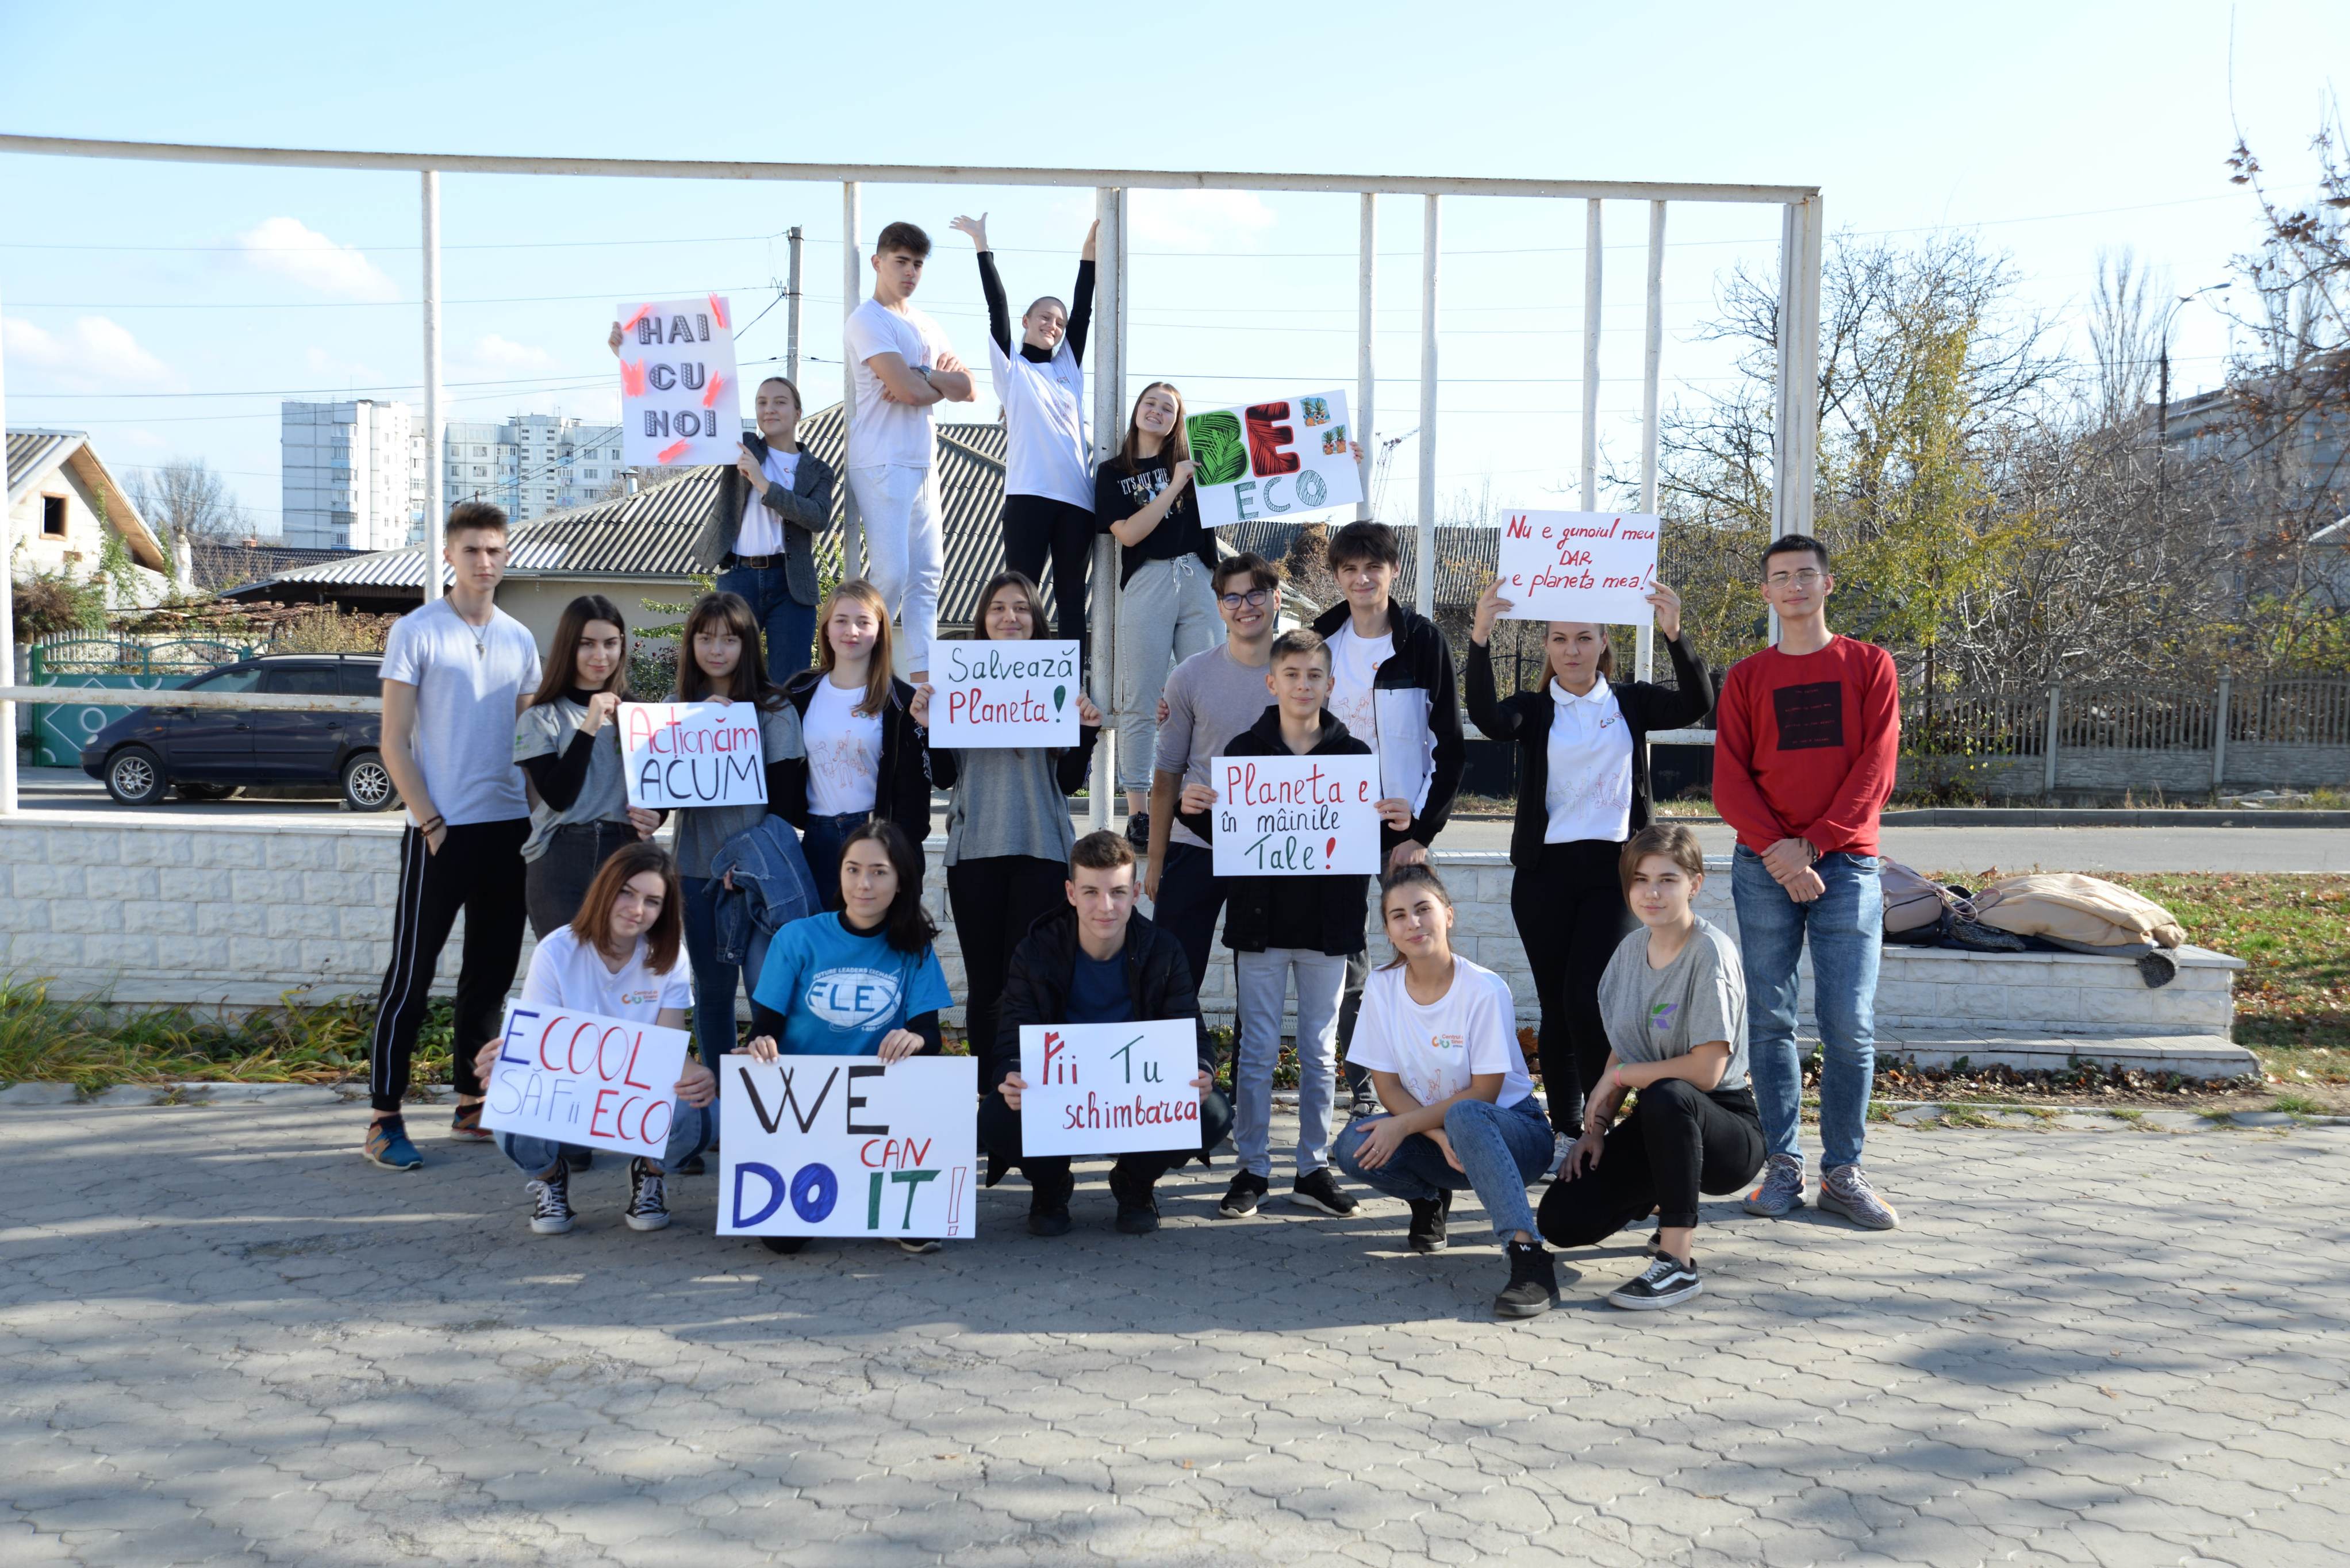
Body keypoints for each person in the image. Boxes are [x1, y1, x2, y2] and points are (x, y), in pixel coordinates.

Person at [1465, 574, 1715, 1160]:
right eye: (1558, 639)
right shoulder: (1534, 709)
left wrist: (1675, 634)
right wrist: (1478, 638)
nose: (1571, 650)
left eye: (1583, 638)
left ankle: (1600, 1117)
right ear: (1548, 647)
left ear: (1604, 641)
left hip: (1616, 872)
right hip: (1543, 876)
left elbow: (1696, 703)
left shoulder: (1629, 702)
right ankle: (1565, 1132)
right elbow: (1487, 718)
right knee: (1555, 1003)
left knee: (1587, 996)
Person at [1176, 628, 1411, 1220]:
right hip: (1258, 927)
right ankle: (1252, 1166)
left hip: (1328, 930)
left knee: (1320, 1053)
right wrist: (1198, 816)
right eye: (1292, 675)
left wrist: (1397, 823)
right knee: (1255, 1052)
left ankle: (1312, 1168)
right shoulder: (1241, 752)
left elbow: (1363, 840)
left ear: (1329, 685)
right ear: (1271, 682)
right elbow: (1235, 843)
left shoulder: (1355, 758)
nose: (1302, 686)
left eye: (1313, 676)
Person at [1713, 534, 1902, 1231]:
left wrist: (1813, 846)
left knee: (1848, 1026)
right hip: (1762, 868)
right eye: (1779, 577)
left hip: (1846, 865)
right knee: (1768, 1022)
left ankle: (1843, 1170)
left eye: (1804, 574)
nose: (1792, 586)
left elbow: (1875, 770)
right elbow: (1729, 781)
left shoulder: (1868, 665)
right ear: (1764, 592)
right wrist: (1779, 854)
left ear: (1827, 584)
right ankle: (1783, 1166)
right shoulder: (1744, 678)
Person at [363, 501, 542, 1171]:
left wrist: (536, 823)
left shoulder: (521, 638)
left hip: (508, 834)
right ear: (448, 555)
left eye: (495, 550)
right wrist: (430, 821)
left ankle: (472, 1099)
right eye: (472, 550)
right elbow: (393, 741)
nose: (485, 562)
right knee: (410, 977)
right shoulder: (416, 631)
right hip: (441, 833)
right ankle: (384, 1116)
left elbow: (528, 745)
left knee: (489, 977)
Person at [1537, 824, 1765, 1310]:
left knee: (1668, 1092)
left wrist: (1616, 1080)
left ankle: (1677, 1262)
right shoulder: (1627, 953)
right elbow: (1624, 1046)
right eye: (1640, 880)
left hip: (1725, 1128)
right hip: (1661, 1126)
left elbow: (1704, 1072)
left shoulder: (1710, 953)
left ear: (1695, 884)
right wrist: (1595, 1129)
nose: (1652, 893)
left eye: (1668, 879)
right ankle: (1664, 1187)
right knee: (1560, 1220)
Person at [1331, 866, 1559, 1321]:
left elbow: (1487, 1092)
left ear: (1448, 916)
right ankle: (1428, 1199)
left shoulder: (1484, 989)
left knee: (1467, 1115)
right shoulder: (1381, 986)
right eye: (1398, 915)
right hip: (1445, 1139)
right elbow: (1388, 1084)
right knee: (1353, 1147)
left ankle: (1530, 1256)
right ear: (1389, 930)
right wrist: (1432, 1137)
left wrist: (1409, 1126)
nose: (1412, 923)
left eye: (1423, 909)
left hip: (1516, 1135)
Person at [981, 831, 1234, 1236]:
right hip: (1059, 1093)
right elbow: (1012, 1034)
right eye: (1091, 892)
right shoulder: (1036, 950)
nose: (1105, 907)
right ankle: (1050, 1184)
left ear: (1136, 892)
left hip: (1135, 1095)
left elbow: (1190, 1028)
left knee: (1212, 1111)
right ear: (1070, 892)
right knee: (996, 1115)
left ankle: (1135, 1182)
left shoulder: (1163, 950)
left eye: (1117, 892)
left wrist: (1201, 1068)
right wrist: (1010, 1073)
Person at [470, 843, 716, 1236]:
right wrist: (503, 1062)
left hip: (633, 1093)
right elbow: (535, 1042)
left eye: (653, 901)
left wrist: (699, 1075)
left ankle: (648, 1172)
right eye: (627, 893)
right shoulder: (557, 950)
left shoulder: (669, 955)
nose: (638, 910)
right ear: (605, 890)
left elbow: (669, 1044)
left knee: (704, 1113)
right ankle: (550, 1177)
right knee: (509, 1106)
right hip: (569, 1089)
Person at [1308, 520, 1468, 1119]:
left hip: (1399, 834)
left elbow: (1448, 746)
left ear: (1392, 571)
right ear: (1337, 576)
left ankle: (1433, 1076)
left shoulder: (1421, 640)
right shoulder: (1318, 636)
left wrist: (1421, 831)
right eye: (1349, 568)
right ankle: (1365, 1085)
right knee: (1348, 957)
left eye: (1372, 567)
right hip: (1327, 824)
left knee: (1421, 946)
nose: (1361, 578)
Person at [916, 570, 1101, 1077]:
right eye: (998, 607)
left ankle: (1033, 1092)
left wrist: (1086, 734)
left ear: (1036, 619)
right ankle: (989, 1096)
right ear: (983, 619)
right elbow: (947, 777)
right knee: (986, 984)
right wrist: (929, 730)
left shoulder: (1057, 679)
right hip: (975, 851)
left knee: (1034, 980)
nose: (1010, 616)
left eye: (1021, 607)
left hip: (1042, 851)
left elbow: (1066, 783)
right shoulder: (958, 679)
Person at [747, 818, 954, 1256]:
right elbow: (763, 1028)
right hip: (806, 1109)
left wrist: (915, 1041)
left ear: (900, 882)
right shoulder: (797, 938)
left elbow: (929, 1035)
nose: (865, 884)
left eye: (879, 872)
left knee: (931, 1069)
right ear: (839, 875)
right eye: (853, 870)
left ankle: (887, 1198)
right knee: (783, 1241)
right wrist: (758, 1046)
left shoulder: (914, 946)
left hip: (880, 1112)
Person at [608, 326, 834, 681]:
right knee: (724, 676)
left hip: (793, 586)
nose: (769, 409)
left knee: (789, 683)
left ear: (798, 411)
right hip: (740, 578)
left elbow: (818, 518)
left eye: (779, 402)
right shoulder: (740, 445)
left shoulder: (818, 470)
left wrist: (764, 484)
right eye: (761, 402)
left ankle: (783, 738)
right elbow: (685, 411)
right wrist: (629, 359)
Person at [667, 593, 808, 1094]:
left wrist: (745, 862)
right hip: (694, 872)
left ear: (749, 644)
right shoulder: (671, 709)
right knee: (712, 991)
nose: (718, 649)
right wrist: (695, 724)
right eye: (706, 638)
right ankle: (721, 1098)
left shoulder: (774, 708)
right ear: (692, 643)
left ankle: (771, 1101)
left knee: (769, 994)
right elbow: (657, 800)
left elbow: (788, 804)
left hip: (758, 880)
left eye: (730, 638)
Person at [951, 212, 1097, 648]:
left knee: (1072, 597)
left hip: (1075, 499)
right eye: (1044, 317)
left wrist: (1091, 249)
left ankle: (1074, 689)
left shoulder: (1068, 366)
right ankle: (1016, 680)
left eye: (1059, 322)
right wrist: (981, 243)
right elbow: (996, 305)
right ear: (1028, 320)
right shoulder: (1011, 368)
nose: (1053, 325)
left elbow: (1085, 303)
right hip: (1028, 496)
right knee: (1021, 596)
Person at [1145, 552, 1284, 1011]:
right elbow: (1166, 776)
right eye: (1232, 597)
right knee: (1170, 979)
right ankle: (1172, 1078)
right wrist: (1156, 860)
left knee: (1260, 992)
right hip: (1195, 845)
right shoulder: (1189, 676)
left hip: (1270, 850)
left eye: (1256, 594)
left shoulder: (1302, 674)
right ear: (1220, 606)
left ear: (1277, 599)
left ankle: (1247, 1082)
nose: (1246, 606)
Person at [840, 220, 974, 685]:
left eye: (918, 264)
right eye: (901, 262)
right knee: (891, 575)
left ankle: (924, 684)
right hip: (880, 458)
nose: (910, 272)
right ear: (878, 263)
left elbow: (968, 388)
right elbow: (909, 391)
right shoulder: (867, 319)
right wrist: (928, 382)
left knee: (928, 577)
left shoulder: (926, 324)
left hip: (923, 461)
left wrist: (921, 376)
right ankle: (861, 675)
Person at [1100, 382, 1218, 848]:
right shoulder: (1114, 473)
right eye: (1151, 403)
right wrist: (1174, 486)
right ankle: (1139, 811)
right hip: (1147, 578)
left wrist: (1333, 457)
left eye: (1167, 408)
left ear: (1177, 421)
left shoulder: (1199, 465)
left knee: (1208, 692)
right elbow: (1129, 534)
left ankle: (1203, 796)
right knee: (1141, 696)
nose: (1157, 412)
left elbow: (1269, 476)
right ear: (1136, 411)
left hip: (1198, 577)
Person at [514, 593, 664, 940]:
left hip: (627, 851)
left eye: (611, 643)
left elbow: (659, 787)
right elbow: (557, 795)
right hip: (559, 854)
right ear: (569, 647)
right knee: (568, 974)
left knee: (626, 974)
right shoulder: (541, 717)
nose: (601, 655)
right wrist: (589, 727)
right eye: (587, 644)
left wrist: (658, 814)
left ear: (622, 645)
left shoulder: (641, 714)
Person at [779, 579, 932, 910]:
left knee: (881, 947)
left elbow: (916, 788)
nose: (852, 631)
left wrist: (899, 848)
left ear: (879, 632)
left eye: (864, 622)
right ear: (827, 629)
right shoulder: (800, 692)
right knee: (825, 950)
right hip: (818, 837)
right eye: (841, 620)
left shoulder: (903, 701)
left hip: (878, 836)